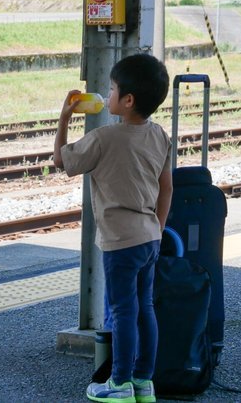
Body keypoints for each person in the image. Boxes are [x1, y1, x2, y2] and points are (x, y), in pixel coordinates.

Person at [53, 53, 173, 403]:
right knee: (144, 308)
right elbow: (167, 188)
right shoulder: (160, 136)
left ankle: (119, 384)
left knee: (123, 311)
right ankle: (142, 382)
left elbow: (61, 160)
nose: (108, 95)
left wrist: (64, 116)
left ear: (128, 100)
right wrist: (159, 228)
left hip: (120, 242)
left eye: (112, 89)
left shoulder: (105, 138)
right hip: (150, 236)